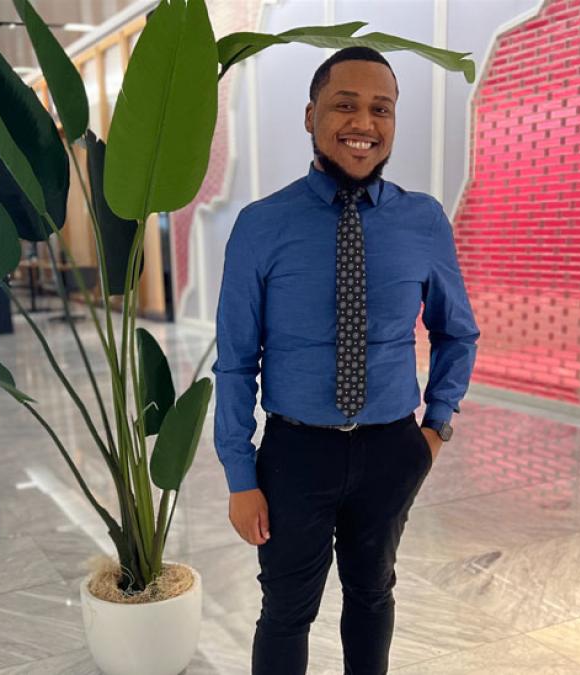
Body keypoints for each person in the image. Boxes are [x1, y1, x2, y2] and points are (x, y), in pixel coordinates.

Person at [212, 46, 481, 674]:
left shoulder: (424, 221)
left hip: (392, 449)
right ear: (311, 116)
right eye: (345, 104)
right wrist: (239, 475)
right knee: (285, 609)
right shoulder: (261, 225)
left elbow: (457, 332)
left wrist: (436, 428)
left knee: (372, 592)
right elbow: (234, 362)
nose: (363, 122)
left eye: (380, 109)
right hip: (295, 456)